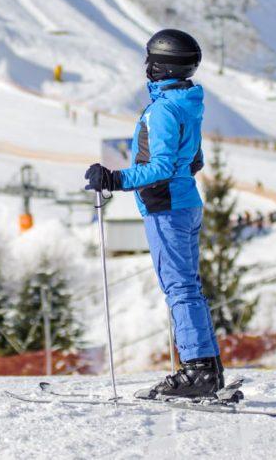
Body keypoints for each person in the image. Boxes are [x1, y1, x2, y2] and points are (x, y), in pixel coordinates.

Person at [84, 28, 220, 400]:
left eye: (150, 59)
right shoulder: (189, 103)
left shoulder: (162, 110)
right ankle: (208, 367)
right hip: (185, 203)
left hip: (167, 207)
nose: (145, 66)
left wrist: (114, 178)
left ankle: (197, 371)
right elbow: (195, 160)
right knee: (189, 287)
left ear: (161, 66)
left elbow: (161, 166)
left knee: (179, 287)